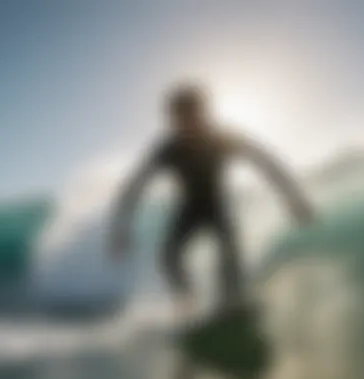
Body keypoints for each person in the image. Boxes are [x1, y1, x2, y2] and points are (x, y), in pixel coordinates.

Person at [109, 83, 316, 313]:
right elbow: (135, 187)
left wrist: (294, 199)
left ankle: (233, 306)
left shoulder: (223, 138)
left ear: (204, 113)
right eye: (180, 118)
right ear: (173, 120)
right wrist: (120, 228)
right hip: (189, 208)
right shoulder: (168, 149)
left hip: (217, 207)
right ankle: (188, 306)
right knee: (168, 256)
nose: (188, 124)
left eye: (193, 115)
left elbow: (267, 163)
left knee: (229, 256)